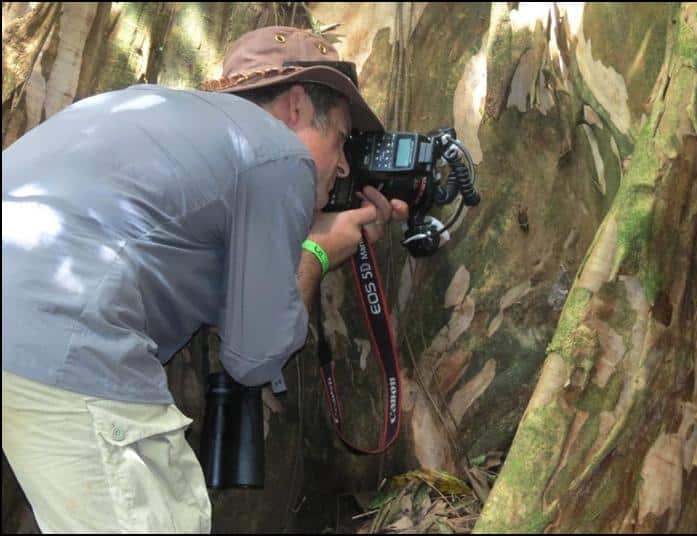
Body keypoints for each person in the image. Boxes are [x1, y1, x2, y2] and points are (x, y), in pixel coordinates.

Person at [2, 25, 408, 533]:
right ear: (297, 108)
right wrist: (316, 252)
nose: (345, 165)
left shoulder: (132, 107)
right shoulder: (281, 155)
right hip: (66, 341)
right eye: (341, 139)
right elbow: (253, 357)